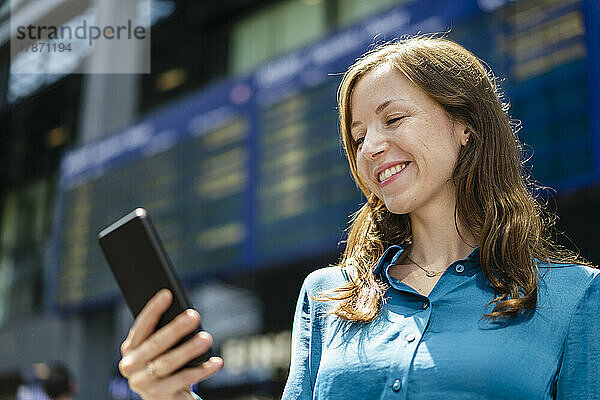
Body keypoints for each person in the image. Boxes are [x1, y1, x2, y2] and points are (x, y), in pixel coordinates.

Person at [117, 36, 599, 399]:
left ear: (464, 126)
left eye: (393, 119)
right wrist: (172, 393)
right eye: (357, 135)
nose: (370, 148)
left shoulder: (574, 297)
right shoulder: (326, 297)